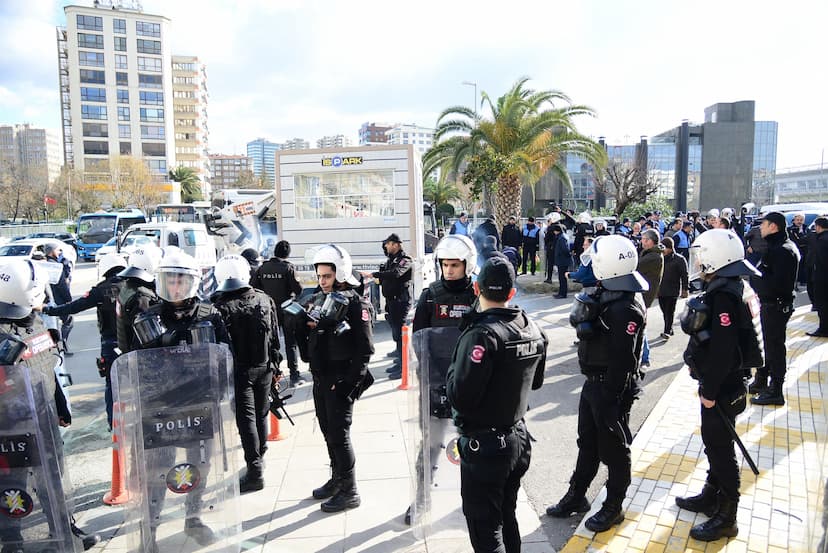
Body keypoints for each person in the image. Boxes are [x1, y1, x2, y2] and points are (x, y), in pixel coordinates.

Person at [446, 256, 547, 553]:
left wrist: (452, 371)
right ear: (512, 292)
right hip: (517, 438)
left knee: (486, 529)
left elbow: (460, 396)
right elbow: (536, 382)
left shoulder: (482, 334)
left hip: (486, 447)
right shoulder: (531, 327)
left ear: (477, 289)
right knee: (506, 515)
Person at [546, 235, 647, 531]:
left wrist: (612, 398)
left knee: (614, 451)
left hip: (610, 388)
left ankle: (614, 506)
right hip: (593, 383)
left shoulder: (625, 306)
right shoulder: (610, 293)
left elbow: (623, 359)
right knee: (587, 443)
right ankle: (577, 496)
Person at [0, 258, 101, 551]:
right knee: (12, 482)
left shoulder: (36, 322)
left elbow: (48, 367)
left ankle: (63, 530)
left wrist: (60, 405)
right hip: (10, 426)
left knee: (53, 479)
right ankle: (11, 540)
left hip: (43, 417)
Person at [133, 249, 231, 550]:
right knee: (156, 474)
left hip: (199, 405)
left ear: (192, 283)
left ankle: (194, 517)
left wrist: (221, 396)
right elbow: (132, 364)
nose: (174, 288)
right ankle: (149, 531)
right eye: (169, 281)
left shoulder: (210, 315)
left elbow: (225, 356)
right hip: (160, 409)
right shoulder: (147, 318)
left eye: (180, 282)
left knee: (198, 467)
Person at [678, 228, 763, 541]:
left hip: (723, 386)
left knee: (720, 448)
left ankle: (727, 516)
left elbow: (724, 351)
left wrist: (709, 391)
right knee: (714, 443)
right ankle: (711, 495)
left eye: (703, 255)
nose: (699, 261)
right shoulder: (731, 285)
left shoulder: (725, 294)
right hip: (725, 383)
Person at [296, 244, 374, 513]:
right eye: (319, 276)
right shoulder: (318, 299)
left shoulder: (355, 302)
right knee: (329, 433)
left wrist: (348, 384)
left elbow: (366, 348)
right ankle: (338, 479)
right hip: (321, 376)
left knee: (339, 436)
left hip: (341, 377)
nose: (322, 282)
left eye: (327, 276)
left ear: (339, 273)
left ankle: (350, 490)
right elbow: (310, 342)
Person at [407, 234, 477, 525]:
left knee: (472, 445)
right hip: (435, 382)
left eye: (455, 265)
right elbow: (419, 340)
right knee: (431, 443)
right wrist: (433, 379)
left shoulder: (477, 295)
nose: (449, 270)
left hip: (469, 384)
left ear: (467, 265)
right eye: (445, 264)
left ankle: (472, 499)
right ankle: (421, 498)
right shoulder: (430, 295)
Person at [212, 254, 282, 493]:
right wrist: (276, 366)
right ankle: (259, 460)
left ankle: (254, 471)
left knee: (246, 420)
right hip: (264, 367)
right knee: (260, 414)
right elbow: (274, 336)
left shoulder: (219, 307)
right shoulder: (263, 299)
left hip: (238, 372)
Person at [43, 253, 126, 431]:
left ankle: (114, 425)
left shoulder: (100, 290)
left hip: (111, 344)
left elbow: (75, 306)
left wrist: (48, 310)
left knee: (112, 385)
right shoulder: (135, 285)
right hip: (136, 342)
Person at [749, 212, 799, 405]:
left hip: (776, 305)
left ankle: (776, 389)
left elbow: (778, 284)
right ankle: (762, 380)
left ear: (774, 227)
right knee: (766, 345)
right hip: (770, 304)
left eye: (764, 225)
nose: (760, 228)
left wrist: (756, 278)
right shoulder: (775, 247)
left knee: (774, 347)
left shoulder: (783, 250)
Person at [252, 240, 305, 385]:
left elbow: (253, 288)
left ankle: (274, 376)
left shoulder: (262, 268)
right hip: (286, 310)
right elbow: (299, 290)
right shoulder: (288, 268)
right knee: (290, 344)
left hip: (268, 311)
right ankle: (294, 376)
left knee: (270, 344)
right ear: (288, 254)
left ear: (275, 252)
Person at [366, 234, 412, 379]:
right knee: (396, 334)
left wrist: (375, 274)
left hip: (401, 302)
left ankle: (404, 368)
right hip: (392, 302)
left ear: (396, 245)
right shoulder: (390, 261)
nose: (386, 246)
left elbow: (396, 274)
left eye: (388, 244)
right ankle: (400, 362)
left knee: (400, 334)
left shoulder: (405, 260)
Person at [116, 246, 162, 354]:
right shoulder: (142, 297)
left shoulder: (128, 286)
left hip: (126, 349)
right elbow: (151, 339)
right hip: (140, 356)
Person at [636, 229, 664, 368]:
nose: (642, 241)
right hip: (644, 294)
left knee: (641, 326)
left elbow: (636, 267)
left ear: (650, 241)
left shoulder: (653, 257)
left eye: (644, 239)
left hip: (644, 295)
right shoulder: (651, 254)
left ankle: (645, 357)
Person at [44, 243, 74, 352]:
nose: (59, 253)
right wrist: (69, 299)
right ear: (51, 251)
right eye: (58, 250)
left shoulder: (43, 264)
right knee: (68, 321)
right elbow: (62, 286)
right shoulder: (55, 266)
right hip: (57, 300)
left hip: (45, 300)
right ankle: (62, 344)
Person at [657, 237, 689, 339]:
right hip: (661, 290)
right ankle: (669, 328)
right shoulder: (659, 258)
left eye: (665, 247)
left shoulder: (679, 259)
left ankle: (666, 331)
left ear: (670, 248)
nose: (663, 250)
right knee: (664, 311)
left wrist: (685, 289)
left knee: (669, 311)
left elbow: (685, 275)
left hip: (672, 290)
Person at [807, 217, 828, 337]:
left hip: (822, 278)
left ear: (818, 227)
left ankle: (823, 329)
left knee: (822, 304)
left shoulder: (821, 240)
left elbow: (821, 260)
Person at [787, 212, 810, 289]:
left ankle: (803, 280)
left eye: (801, 220)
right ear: (794, 220)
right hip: (795, 251)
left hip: (805, 251)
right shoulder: (789, 230)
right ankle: (794, 284)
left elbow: (808, 240)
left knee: (804, 267)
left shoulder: (807, 229)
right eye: (798, 220)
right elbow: (794, 240)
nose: (799, 221)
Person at [550, 224, 571, 298]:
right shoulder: (563, 236)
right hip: (563, 260)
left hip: (562, 260)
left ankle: (562, 293)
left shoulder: (561, 238)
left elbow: (565, 249)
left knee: (562, 278)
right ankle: (561, 292)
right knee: (562, 278)